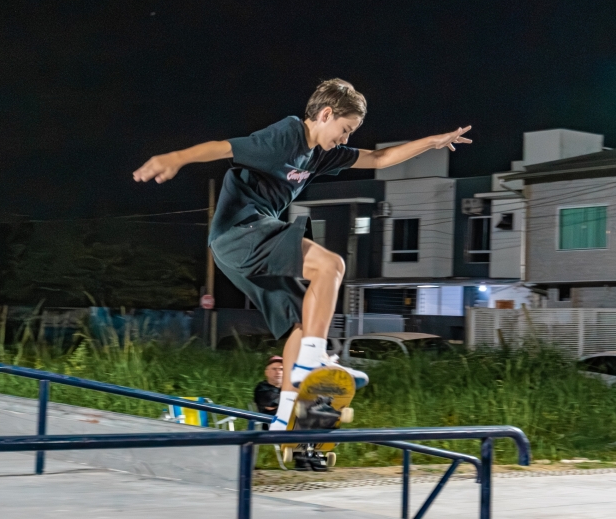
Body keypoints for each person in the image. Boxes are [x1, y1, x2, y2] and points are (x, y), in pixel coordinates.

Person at [133, 79, 471, 433]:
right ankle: (313, 360)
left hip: (243, 247)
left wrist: (433, 142)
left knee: (302, 322)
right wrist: (173, 158)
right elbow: (225, 147)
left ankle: (285, 417)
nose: (345, 139)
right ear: (325, 114)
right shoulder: (287, 136)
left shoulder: (321, 154)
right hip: (240, 232)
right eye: (345, 129)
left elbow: (380, 158)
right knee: (331, 265)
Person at [254, 355, 284, 427]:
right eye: (274, 369)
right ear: (266, 372)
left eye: (281, 369)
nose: (278, 372)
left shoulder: (286, 388)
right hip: (271, 430)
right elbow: (271, 403)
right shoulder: (262, 388)